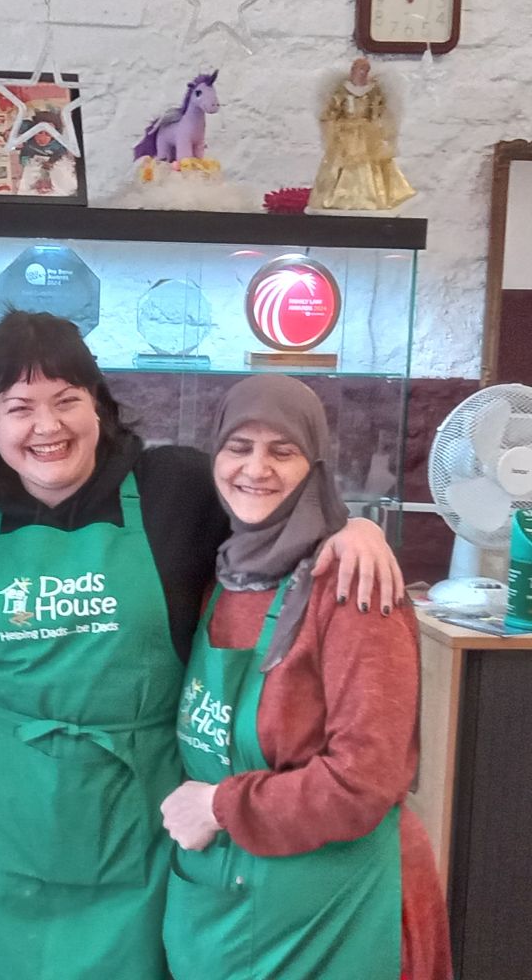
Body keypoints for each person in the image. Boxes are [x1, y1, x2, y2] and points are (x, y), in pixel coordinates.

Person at [0, 311, 404, 980]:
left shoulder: (176, 488)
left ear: (99, 408)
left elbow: (273, 507)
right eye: (19, 407)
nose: (46, 426)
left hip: (139, 815)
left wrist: (355, 530)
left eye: (67, 401)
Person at [160, 374, 450, 980]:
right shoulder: (223, 570)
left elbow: (363, 782)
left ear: (314, 464)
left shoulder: (351, 583)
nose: (256, 468)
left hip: (338, 913)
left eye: (282, 450)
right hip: (232, 903)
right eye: (238, 446)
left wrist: (218, 806)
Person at [308, 57, 416, 211]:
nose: (361, 74)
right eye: (359, 70)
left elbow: (379, 112)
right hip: (346, 134)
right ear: (352, 71)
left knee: (369, 165)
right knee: (340, 164)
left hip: (367, 135)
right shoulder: (341, 90)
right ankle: (340, 197)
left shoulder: (374, 91)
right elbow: (331, 112)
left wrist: (379, 130)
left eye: (365, 71)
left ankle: (370, 197)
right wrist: (334, 126)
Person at [16, 111, 77, 196]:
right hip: (29, 157)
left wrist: (51, 162)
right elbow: (21, 125)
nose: (42, 138)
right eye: (39, 132)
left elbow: (59, 154)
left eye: (47, 133)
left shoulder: (57, 145)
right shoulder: (28, 133)